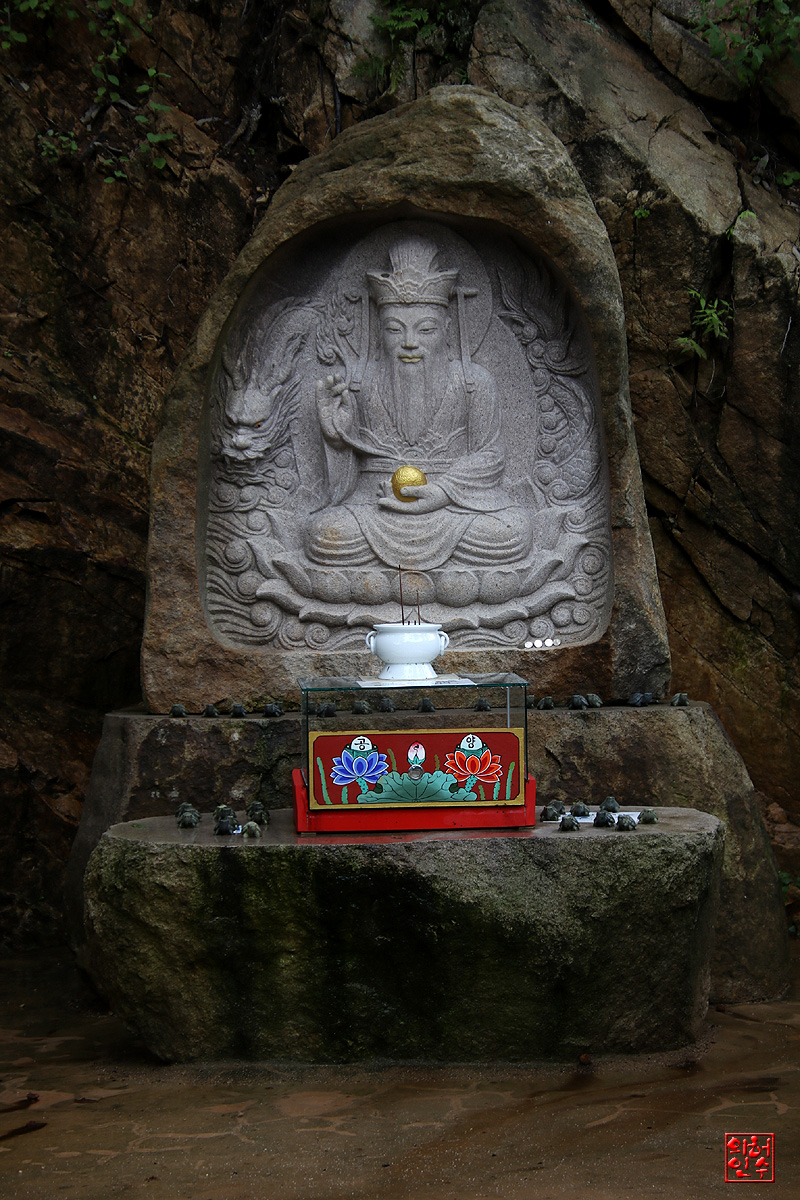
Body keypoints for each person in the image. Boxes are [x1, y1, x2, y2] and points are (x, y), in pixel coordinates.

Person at [306, 234, 533, 572]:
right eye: (395, 330)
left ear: (447, 328)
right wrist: (336, 438)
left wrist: (442, 492)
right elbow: (346, 476)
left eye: (425, 330)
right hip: (375, 508)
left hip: (453, 510)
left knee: (510, 532)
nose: (409, 342)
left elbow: (491, 456)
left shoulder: (474, 382)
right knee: (325, 534)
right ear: (379, 331)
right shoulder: (358, 383)